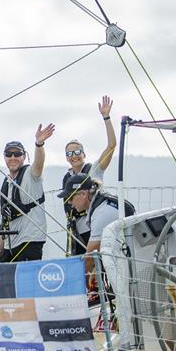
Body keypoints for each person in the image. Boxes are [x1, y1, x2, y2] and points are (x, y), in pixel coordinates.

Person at [59, 173, 134, 304]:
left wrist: (68, 288)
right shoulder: (100, 204)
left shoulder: (101, 213)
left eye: (70, 198)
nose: (69, 203)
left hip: (132, 263)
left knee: (130, 305)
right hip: (128, 257)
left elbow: (89, 257)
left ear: (83, 194)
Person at [62, 96, 116, 256]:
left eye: (77, 151)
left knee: (97, 263)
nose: (74, 156)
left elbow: (112, 146)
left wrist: (106, 117)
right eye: (70, 153)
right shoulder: (67, 177)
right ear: (66, 158)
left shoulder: (94, 170)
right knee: (81, 268)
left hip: (94, 226)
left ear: (84, 154)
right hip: (75, 231)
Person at [0, 123, 55, 261]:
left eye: (17, 154)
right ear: (4, 157)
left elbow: (39, 164)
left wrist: (39, 144)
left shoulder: (30, 174)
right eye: (9, 154)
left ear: (24, 156)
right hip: (10, 244)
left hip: (30, 240)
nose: (13, 157)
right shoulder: (6, 183)